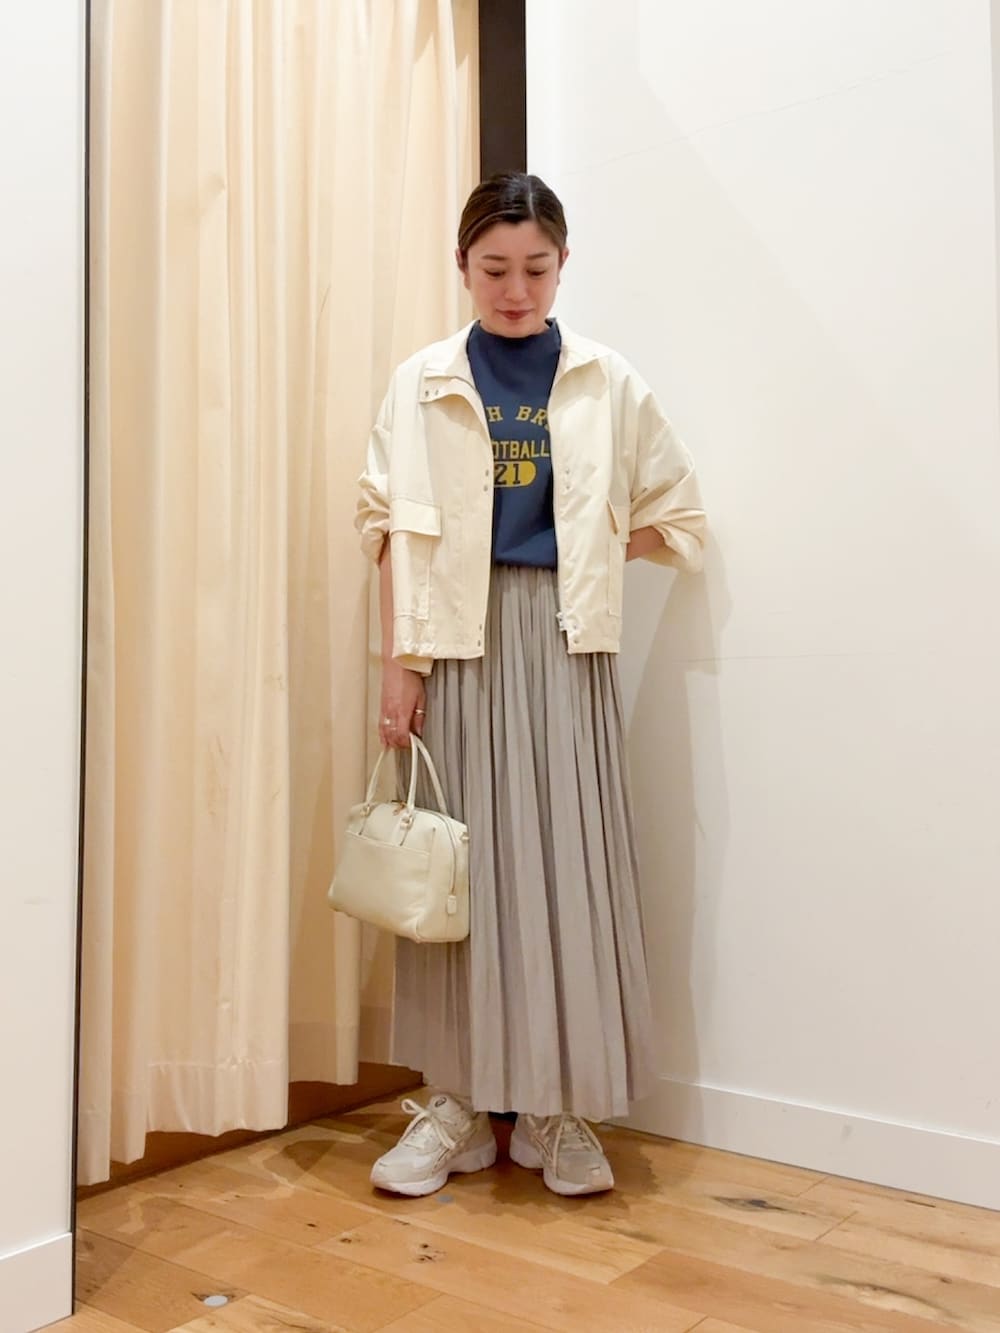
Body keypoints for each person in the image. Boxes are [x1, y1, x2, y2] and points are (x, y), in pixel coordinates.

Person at [355, 171, 705, 1198]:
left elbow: (678, 516)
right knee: (456, 875)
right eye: (494, 269)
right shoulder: (422, 380)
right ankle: (458, 1104)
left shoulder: (605, 380)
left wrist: (588, 552)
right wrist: (399, 666)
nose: (515, 290)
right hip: (454, 643)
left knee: (564, 867)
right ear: (462, 266)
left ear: (562, 266)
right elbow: (387, 528)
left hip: (562, 639)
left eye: (535, 269)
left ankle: (556, 1107)